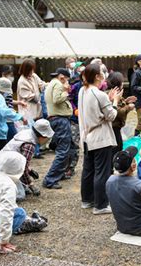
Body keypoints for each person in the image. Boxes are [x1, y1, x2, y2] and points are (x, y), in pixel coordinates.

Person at [78, 63, 120, 215]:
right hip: (100, 136)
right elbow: (111, 115)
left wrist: (107, 100)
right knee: (102, 171)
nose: (104, 75)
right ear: (97, 76)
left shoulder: (83, 91)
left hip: (86, 135)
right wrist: (114, 101)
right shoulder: (99, 94)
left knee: (88, 169)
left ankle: (87, 200)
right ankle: (100, 205)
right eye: (102, 72)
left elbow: (95, 108)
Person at [0, 119, 55, 198]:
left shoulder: (27, 132)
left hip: (0, 163)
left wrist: (30, 170)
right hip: (2, 169)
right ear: (42, 135)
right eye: (47, 137)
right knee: (20, 195)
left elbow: (21, 158)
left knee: (23, 189)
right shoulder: (30, 145)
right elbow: (22, 168)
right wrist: (31, 185)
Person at [42, 68, 75, 189]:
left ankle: (60, 173)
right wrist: (66, 92)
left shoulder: (51, 83)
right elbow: (57, 99)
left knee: (70, 147)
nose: (67, 82)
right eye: (66, 79)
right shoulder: (57, 84)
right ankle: (50, 179)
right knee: (63, 150)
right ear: (62, 77)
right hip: (60, 119)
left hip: (57, 118)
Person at [17, 59, 45, 158]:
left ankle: (37, 150)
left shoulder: (34, 76)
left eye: (33, 69)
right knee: (30, 131)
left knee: (36, 129)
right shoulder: (22, 81)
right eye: (30, 70)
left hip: (36, 108)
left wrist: (45, 86)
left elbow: (41, 84)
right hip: (28, 109)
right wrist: (40, 95)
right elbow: (29, 96)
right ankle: (34, 151)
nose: (32, 72)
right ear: (26, 70)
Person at [107, 72, 136, 155]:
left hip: (115, 127)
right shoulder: (113, 94)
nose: (123, 83)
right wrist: (128, 107)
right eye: (121, 81)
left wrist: (126, 101)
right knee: (117, 148)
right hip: (114, 127)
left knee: (118, 147)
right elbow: (118, 112)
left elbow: (119, 105)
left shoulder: (113, 92)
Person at [0, 66, 28, 141]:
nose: (12, 78)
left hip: (9, 117)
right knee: (14, 140)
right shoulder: (2, 87)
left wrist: (19, 102)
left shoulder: (7, 86)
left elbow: (8, 100)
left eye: (12, 75)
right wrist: (17, 115)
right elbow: (5, 104)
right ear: (3, 74)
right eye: (10, 75)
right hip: (7, 118)